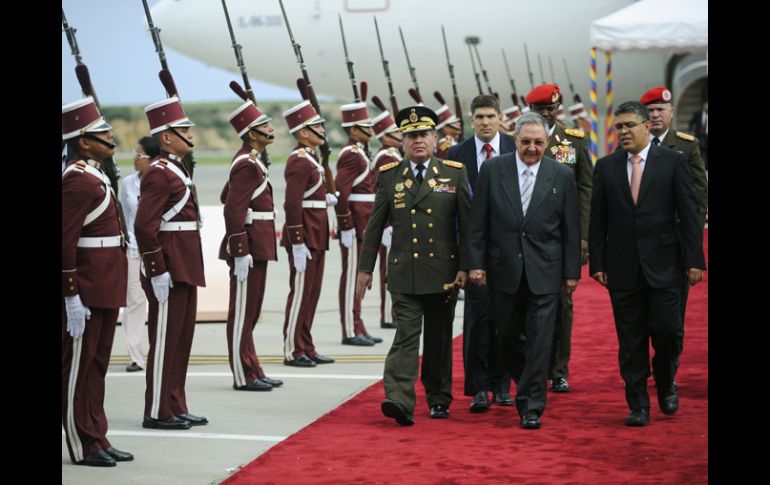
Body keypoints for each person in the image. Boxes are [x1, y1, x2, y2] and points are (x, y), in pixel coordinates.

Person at [589, 101, 705, 427]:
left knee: (669, 332)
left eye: (629, 125)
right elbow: (598, 219)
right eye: (619, 127)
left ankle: (666, 379)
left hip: (667, 265)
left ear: (647, 127)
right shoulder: (607, 167)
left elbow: (691, 214)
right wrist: (597, 261)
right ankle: (638, 402)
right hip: (623, 267)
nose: (623, 132)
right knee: (631, 339)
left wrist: (694, 259)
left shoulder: (673, 163)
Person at [356, 106, 470, 425]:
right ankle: (399, 399)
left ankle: (438, 397)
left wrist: (467, 266)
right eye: (411, 136)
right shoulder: (390, 176)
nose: (418, 141)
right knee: (406, 334)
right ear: (402, 143)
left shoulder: (454, 173)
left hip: (444, 274)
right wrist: (365, 270)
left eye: (424, 135)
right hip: (404, 273)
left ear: (435, 139)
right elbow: (375, 227)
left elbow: (468, 225)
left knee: (438, 338)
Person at [467, 111, 581, 429]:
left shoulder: (561, 175)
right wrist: (475, 263)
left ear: (548, 142)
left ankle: (531, 404)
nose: (532, 148)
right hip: (503, 270)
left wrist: (571, 272)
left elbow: (571, 228)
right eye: (526, 141)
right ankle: (528, 380)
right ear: (515, 140)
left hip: (546, 270)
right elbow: (478, 223)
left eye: (539, 142)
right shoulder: (492, 170)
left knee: (541, 339)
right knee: (505, 335)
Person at [62, 96, 133, 466]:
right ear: (83, 141)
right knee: (78, 366)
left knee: (98, 365)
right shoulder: (75, 179)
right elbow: (65, 239)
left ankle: (98, 436)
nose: (111, 137)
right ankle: (81, 442)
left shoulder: (94, 174)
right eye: (102, 132)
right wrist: (70, 294)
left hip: (105, 280)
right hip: (87, 285)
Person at [135, 96, 208, 430]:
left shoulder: (176, 167)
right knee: (165, 340)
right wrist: (157, 269)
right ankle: (158, 410)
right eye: (183, 131)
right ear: (166, 137)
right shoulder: (160, 173)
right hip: (169, 266)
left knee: (181, 340)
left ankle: (176, 403)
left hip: (185, 264)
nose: (190, 135)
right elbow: (144, 226)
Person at [447, 94, 516, 412]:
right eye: (480, 117)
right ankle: (477, 388)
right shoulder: (456, 154)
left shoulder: (516, 149)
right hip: (472, 250)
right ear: (471, 119)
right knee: (476, 318)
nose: (486, 122)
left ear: (501, 117)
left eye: (491, 116)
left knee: (506, 319)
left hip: (510, 249)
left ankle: (502, 385)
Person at [526, 83, 593, 393]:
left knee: (563, 304)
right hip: (528, 236)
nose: (546, 113)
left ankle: (559, 370)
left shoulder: (574, 141)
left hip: (563, 235)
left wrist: (582, 235)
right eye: (541, 110)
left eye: (551, 109)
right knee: (528, 302)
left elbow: (585, 188)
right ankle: (531, 366)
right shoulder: (521, 139)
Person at [640, 87, 709, 379]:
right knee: (639, 314)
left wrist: (691, 247)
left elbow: (698, 198)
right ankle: (639, 368)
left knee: (672, 316)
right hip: (640, 243)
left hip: (674, 244)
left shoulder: (686, 146)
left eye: (660, 110)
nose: (655, 115)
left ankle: (667, 366)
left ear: (671, 113)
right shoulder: (631, 146)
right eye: (651, 111)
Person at [218, 100, 284, 391]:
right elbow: (232, 209)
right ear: (251, 132)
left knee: (252, 310)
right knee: (243, 312)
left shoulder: (253, 160)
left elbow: (226, 195)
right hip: (249, 245)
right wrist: (240, 250)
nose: (271, 129)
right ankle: (242, 374)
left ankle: (253, 367)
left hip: (259, 242)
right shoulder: (246, 164)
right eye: (265, 126)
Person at [281, 100, 337, 367]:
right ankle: (293, 349)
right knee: (301, 293)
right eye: (315, 127)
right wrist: (297, 242)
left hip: (317, 232)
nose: (321, 131)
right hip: (305, 234)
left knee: (311, 294)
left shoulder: (311, 158)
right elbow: (292, 204)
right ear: (303, 132)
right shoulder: (300, 161)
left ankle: (306, 345)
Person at [334, 102, 382, 346]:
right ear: (353, 130)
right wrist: (346, 226)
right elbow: (342, 193)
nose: (371, 129)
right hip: (355, 223)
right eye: (365, 126)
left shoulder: (359, 151)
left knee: (359, 276)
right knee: (352, 276)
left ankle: (358, 323)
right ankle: (350, 329)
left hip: (364, 221)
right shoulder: (351, 155)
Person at [119, 136, 159, 373]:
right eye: (134, 153)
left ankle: (159, 350)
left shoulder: (164, 180)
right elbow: (125, 215)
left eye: (140, 155)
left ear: (152, 158)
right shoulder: (128, 184)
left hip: (158, 248)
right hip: (134, 248)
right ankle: (136, 355)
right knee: (134, 301)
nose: (135, 158)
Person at [370, 109, 404, 330]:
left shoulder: (393, 155)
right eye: (395, 134)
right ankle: (388, 315)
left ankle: (392, 313)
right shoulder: (386, 157)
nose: (401, 138)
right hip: (389, 223)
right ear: (385, 138)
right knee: (388, 270)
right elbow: (386, 193)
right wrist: (388, 223)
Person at [688, 101, 708, 169]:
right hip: (700, 135)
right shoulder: (698, 114)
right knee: (701, 150)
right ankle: (701, 165)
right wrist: (691, 131)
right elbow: (691, 122)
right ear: (704, 106)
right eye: (706, 106)